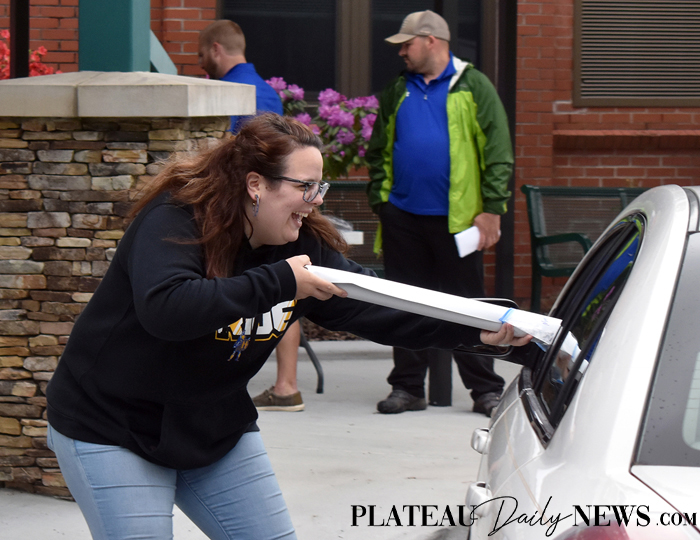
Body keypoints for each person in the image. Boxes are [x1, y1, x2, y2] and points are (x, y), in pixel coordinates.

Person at [45, 114, 528, 540]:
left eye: (320, 188)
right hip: (113, 426)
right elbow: (167, 308)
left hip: (213, 425)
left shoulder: (302, 245)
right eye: (304, 187)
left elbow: (379, 306)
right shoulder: (177, 219)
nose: (314, 202)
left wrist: (476, 327)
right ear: (256, 184)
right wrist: (281, 281)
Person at [366, 10, 515, 417]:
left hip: (459, 222)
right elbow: (379, 149)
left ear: (431, 40)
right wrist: (382, 202)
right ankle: (408, 388)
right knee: (403, 304)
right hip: (402, 216)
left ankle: (485, 390)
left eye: (407, 44)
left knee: (468, 306)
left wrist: (491, 210)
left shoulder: (474, 85)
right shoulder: (398, 88)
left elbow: (498, 152)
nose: (401, 52)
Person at [199, 19, 304, 412]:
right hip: (278, 212)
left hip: (239, 215)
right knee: (286, 291)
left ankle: (217, 379)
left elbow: (220, 161)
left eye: (201, 55)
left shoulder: (225, 93)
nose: (201, 63)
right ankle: (286, 384)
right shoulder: (269, 93)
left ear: (216, 49)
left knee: (231, 291)